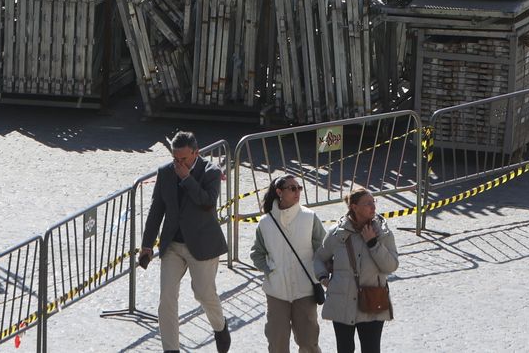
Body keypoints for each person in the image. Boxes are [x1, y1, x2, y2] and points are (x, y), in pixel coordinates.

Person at [139, 131, 232, 353]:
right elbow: (156, 209)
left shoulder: (211, 172)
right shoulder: (165, 172)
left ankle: (220, 326)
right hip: (173, 245)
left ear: (196, 153)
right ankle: (171, 350)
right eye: (175, 159)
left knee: (203, 293)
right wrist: (147, 245)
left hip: (202, 244)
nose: (178, 163)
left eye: (183, 159)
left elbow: (207, 203)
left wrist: (187, 179)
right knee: (167, 299)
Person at [250, 175, 327, 353]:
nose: (297, 192)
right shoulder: (265, 223)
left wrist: (320, 273)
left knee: (309, 343)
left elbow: (323, 249)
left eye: (299, 188)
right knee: (277, 344)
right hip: (276, 293)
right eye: (292, 188)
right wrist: (271, 270)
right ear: (279, 192)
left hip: (305, 291)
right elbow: (257, 253)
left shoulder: (309, 217)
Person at [316, 189, 398, 353]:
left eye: (373, 202)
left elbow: (391, 266)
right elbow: (319, 257)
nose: (373, 207)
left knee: (371, 349)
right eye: (367, 203)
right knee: (344, 349)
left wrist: (373, 243)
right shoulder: (337, 233)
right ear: (354, 207)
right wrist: (324, 278)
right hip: (342, 301)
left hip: (372, 301)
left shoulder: (383, 233)